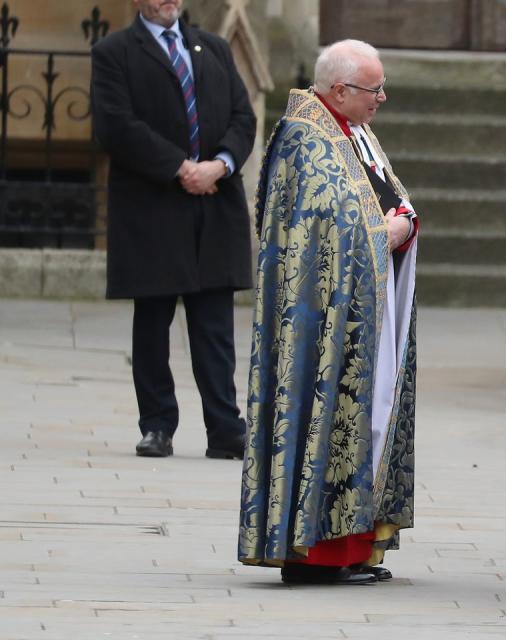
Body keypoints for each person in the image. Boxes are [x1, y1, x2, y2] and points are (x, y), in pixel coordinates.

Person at [237, 39, 418, 586]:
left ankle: (357, 545)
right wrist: (383, 231)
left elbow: (374, 197)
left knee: (365, 422)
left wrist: (402, 221)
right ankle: (317, 554)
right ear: (339, 89)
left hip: (361, 312)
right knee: (327, 423)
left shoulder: (352, 131)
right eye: (374, 89)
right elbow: (321, 231)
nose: (382, 97)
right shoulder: (305, 138)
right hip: (320, 325)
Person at [91, 0, 256, 460]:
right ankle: (158, 425)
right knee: (153, 324)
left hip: (214, 203)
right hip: (153, 206)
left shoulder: (214, 48)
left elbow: (244, 118)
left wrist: (218, 165)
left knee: (215, 328)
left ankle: (226, 428)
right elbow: (115, 126)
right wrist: (180, 168)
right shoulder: (114, 51)